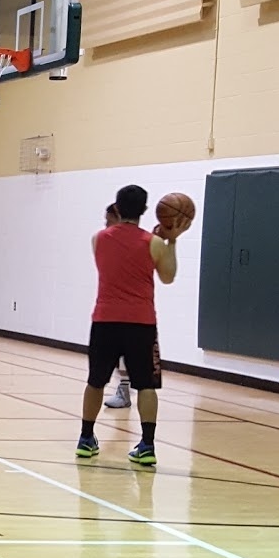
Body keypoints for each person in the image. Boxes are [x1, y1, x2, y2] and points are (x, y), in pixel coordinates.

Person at [76, 184, 189, 466]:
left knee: (95, 381)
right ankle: (147, 445)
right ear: (146, 210)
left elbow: (121, 254)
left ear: (116, 207)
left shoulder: (98, 239)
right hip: (141, 324)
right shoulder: (153, 244)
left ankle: (86, 439)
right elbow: (168, 277)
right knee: (146, 386)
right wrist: (171, 241)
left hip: (105, 321)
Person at [101, 203, 133, 409]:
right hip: (113, 310)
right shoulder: (107, 242)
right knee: (119, 358)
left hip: (128, 312)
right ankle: (125, 388)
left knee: (123, 357)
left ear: (118, 217)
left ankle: (125, 389)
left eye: (108, 219)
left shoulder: (132, 243)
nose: (105, 224)